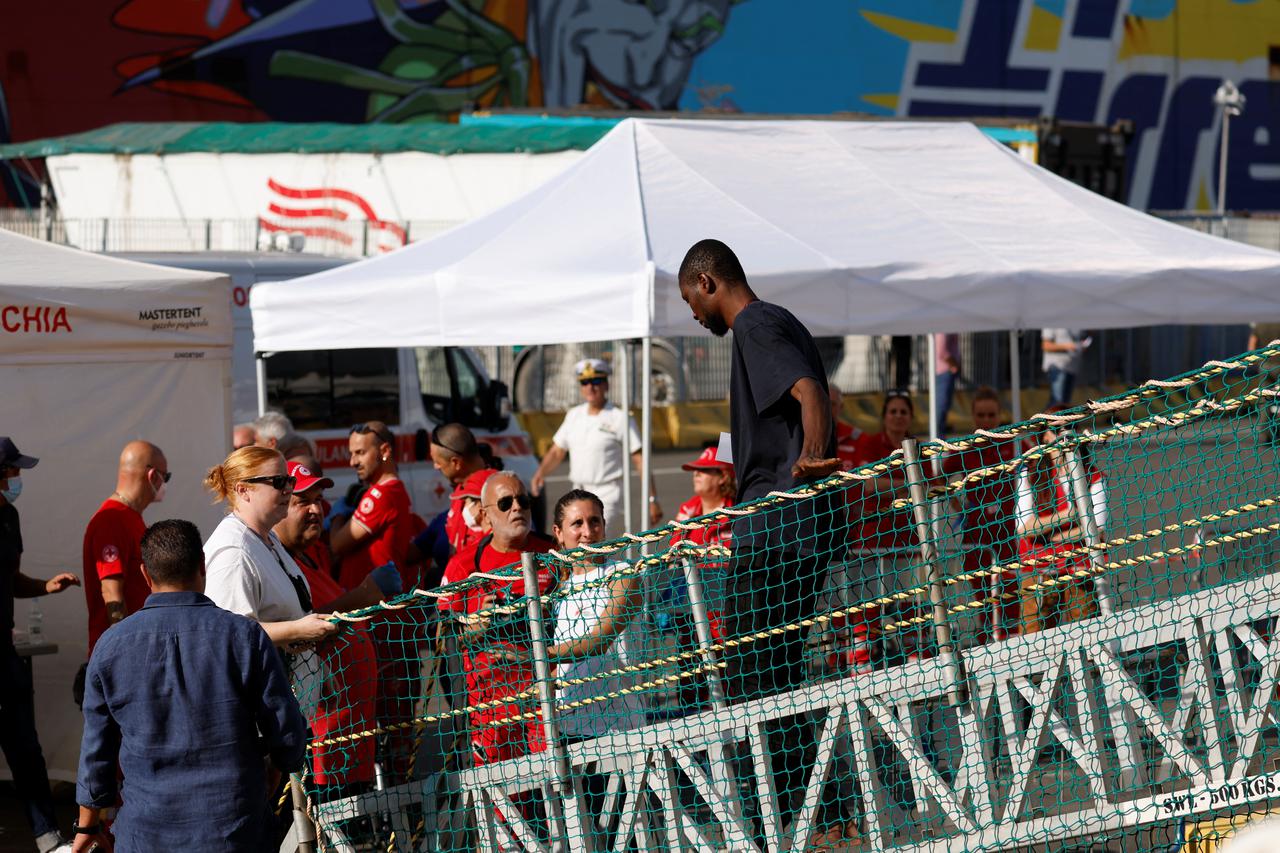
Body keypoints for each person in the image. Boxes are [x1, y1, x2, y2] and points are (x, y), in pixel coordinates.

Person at [677, 238, 841, 827]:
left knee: (752, 674)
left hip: (775, 528)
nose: (693, 315)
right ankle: (816, 813)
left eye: (690, 300)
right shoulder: (782, 318)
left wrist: (815, 457)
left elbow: (809, 391)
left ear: (708, 283)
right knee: (779, 671)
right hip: (796, 526)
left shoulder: (753, 325)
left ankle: (793, 817)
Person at [74, 519, 307, 853]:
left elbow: (97, 753)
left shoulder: (110, 646)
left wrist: (88, 826)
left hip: (146, 835)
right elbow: (287, 736)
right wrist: (276, 767)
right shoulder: (245, 637)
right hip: (235, 831)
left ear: (145, 574)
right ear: (202, 565)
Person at [273, 460, 398, 797]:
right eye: (303, 502)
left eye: (319, 500)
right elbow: (300, 629)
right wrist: (366, 593)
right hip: (318, 750)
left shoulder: (308, 556)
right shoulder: (276, 566)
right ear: (278, 508)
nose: (317, 509)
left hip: (348, 741)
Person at [439, 472, 555, 766]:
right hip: (489, 705)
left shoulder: (552, 552)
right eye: (505, 503)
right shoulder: (463, 565)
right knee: (505, 798)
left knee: (554, 786)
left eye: (523, 501)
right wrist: (476, 627)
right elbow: (439, 637)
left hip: (545, 694)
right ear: (486, 516)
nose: (517, 508)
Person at [0, 438, 79, 853]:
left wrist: (45, 587)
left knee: (26, 748)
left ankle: (48, 838)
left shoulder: (9, 516)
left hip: (5, 655)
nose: (17, 478)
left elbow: (11, 578)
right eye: (12, 471)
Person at [202, 446, 339, 650]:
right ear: (243, 490)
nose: (288, 489)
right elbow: (228, 634)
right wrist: (297, 630)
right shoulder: (234, 553)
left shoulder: (268, 538)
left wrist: (318, 668)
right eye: (278, 482)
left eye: (289, 481)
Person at [546, 490, 645, 739]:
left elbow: (599, 641)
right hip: (569, 728)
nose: (588, 532)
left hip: (620, 729)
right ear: (558, 533)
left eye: (595, 521)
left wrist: (538, 656)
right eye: (577, 523)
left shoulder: (622, 575)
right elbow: (562, 665)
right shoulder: (558, 589)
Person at [530, 358, 661, 536]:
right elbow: (557, 450)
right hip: (578, 491)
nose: (590, 387)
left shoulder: (619, 417)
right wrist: (540, 474)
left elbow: (639, 460)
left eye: (596, 381)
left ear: (606, 385)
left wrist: (652, 498)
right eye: (585, 382)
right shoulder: (574, 415)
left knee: (596, 544)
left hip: (607, 493)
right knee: (573, 545)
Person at [1014, 412, 1107, 633]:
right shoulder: (1030, 473)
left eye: (1069, 428)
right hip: (1038, 569)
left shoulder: (1092, 475)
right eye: (1056, 431)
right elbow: (1023, 527)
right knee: (1033, 635)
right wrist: (1069, 516)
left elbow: (1096, 530)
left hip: (1080, 568)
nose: (1063, 436)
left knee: (1086, 630)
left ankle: (1092, 668)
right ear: (1045, 437)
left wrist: (1052, 536)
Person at [941, 387, 1020, 642]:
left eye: (991, 415)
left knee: (1010, 590)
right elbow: (938, 480)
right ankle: (985, 642)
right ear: (974, 417)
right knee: (982, 595)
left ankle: (1012, 642)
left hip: (1006, 531)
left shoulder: (1012, 443)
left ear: (999, 415)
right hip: (975, 532)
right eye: (981, 415)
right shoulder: (965, 448)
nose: (986, 420)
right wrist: (959, 507)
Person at [82, 440, 169, 659]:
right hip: (122, 654)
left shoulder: (131, 518)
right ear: (153, 476)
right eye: (165, 477)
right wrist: (127, 652)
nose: (164, 484)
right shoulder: (111, 520)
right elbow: (112, 593)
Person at [330, 421, 413, 592]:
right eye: (351, 454)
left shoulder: (382, 495)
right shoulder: (391, 490)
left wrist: (335, 517)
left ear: (384, 451)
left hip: (375, 611)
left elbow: (337, 545)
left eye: (360, 453)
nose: (353, 462)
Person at [428, 423, 496, 554]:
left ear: (456, 463)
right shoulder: (461, 493)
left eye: (438, 462)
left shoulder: (496, 495)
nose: (435, 467)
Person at [1041, 328, 1087, 407]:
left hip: (1072, 367)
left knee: (1064, 404)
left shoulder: (1077, 321)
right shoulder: (1051, 320)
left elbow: (1083, 338)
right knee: (1056, 402)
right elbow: (1046, 345)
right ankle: (1044, 419)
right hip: (1057, 366)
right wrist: (1069, 346)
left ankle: (1056, 418)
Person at [829, 383, 861, 469]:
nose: (827, 408)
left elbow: (867, 479)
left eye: (832, 404)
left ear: (841, 407)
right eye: (823, 403)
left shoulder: (857, 437)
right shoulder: (804, 438)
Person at [934, 332, 961, 433]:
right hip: (945, 371)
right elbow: (942, 352)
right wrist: (955, 365)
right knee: (941, 408)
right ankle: (938, 438)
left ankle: (940, 435)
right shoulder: (943, 327)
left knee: (943, 408)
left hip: (947, 371)